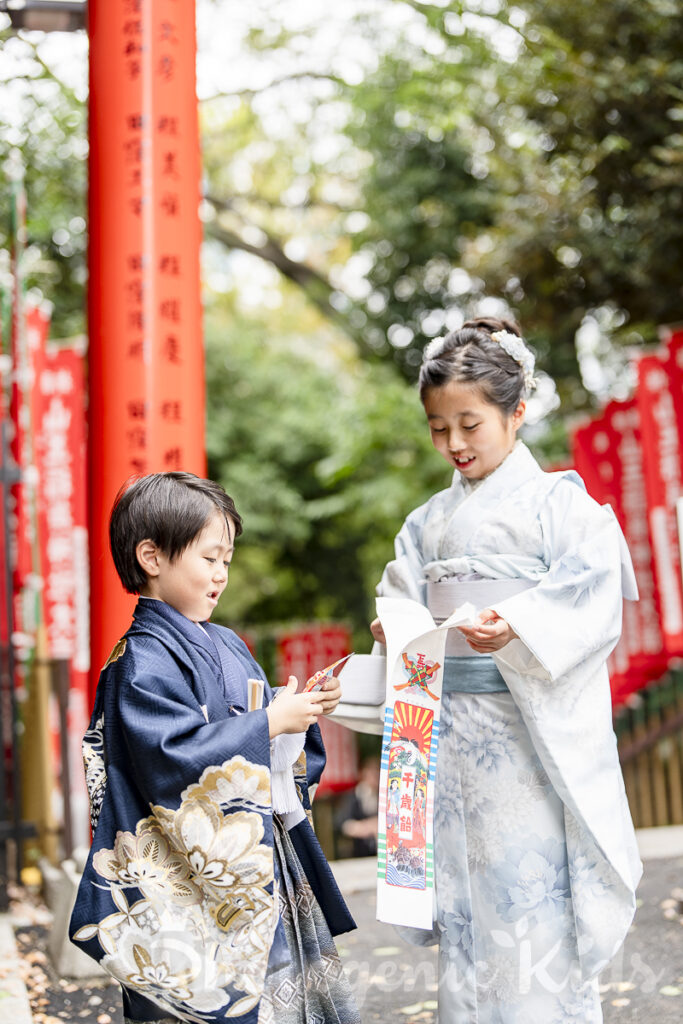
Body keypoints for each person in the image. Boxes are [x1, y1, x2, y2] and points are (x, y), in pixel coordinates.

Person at [370, 317, 642, 1023]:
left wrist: (518, 623)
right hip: (447, 735)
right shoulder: (425, 521)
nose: (453, 443)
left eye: (469, 424)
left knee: (530, 897)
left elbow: (589, 593)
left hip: (523, 735)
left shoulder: (561, 504)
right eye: (438, 429)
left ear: (516, 411)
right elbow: (400, 594)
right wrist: (395, 626)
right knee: (464, 910)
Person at [70, 472, 360, 1024]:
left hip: (255, 867)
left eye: (227, 559)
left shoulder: (226, 642)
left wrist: (293, 716)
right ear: (152, 557)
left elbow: (254, 723)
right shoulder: (139, 660)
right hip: (182, 879)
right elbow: (169, 757)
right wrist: (268, 723)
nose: (222, 573)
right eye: (209, 558)